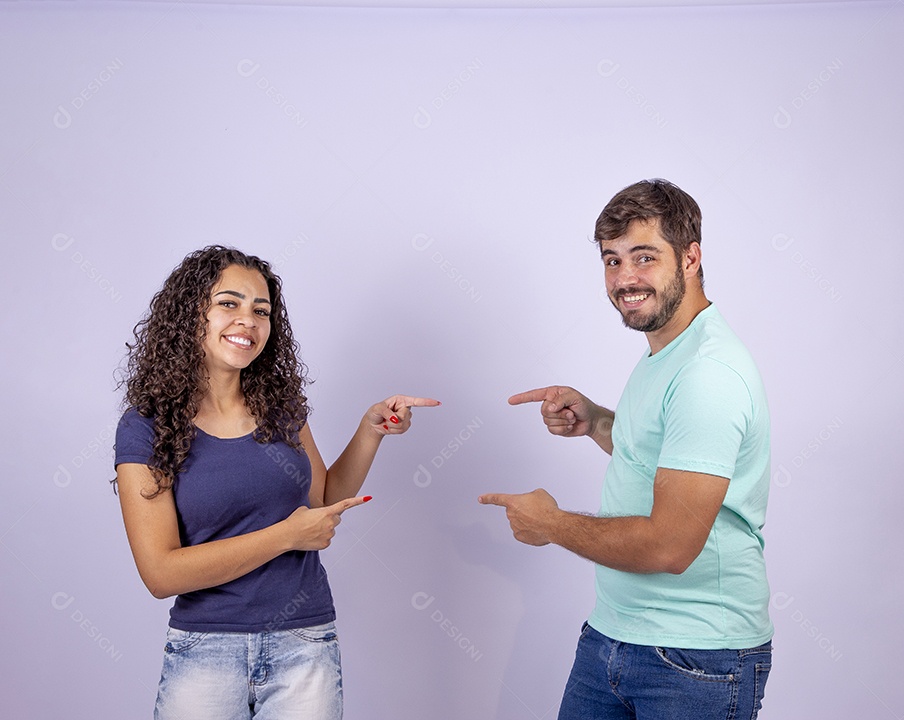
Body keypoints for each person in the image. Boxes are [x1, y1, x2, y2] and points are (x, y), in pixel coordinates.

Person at [480, 179, 773, 719]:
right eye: (612, 261)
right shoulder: (668, 351)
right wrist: (596, 422)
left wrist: (549, 524)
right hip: (612, 637)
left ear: (691, 257)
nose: (625, 279)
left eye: (644, 257)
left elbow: (669, 546)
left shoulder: (707, 373)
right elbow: (662, 457)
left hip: (695, 659)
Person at [114, 246, 438, 719]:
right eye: (229, 303)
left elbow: (323, 500)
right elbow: (161, 574)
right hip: (206, 649)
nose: (248, 320)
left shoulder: (281, 409)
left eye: (260, 310)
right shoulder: (148, 426)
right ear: (190, 313)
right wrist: (287, 536)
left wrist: (371, 429)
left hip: (306, 644)